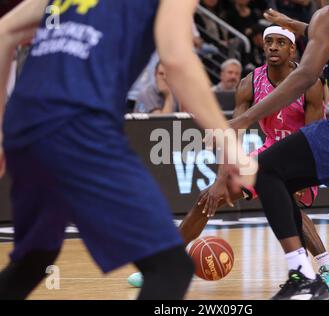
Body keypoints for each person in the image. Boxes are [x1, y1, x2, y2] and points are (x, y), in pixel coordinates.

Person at [0, 0, 256, 300]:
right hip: (79, 121)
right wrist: (230, 145)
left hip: (24, 121)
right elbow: (175, 59)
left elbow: (5, 31)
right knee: (170, 267)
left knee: (33, 260)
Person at [128, 26, 329, 295]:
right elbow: (234, 134)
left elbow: (314, 133)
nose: (273, 47)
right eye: (269, 41)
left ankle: (328, 267)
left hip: (304, 151)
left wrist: (306, 173)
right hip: (270, 152)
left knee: (287, 200)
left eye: (281, 42)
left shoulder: (311, 83)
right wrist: (223, 178)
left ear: (293, 49)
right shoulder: (249, 82)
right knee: (207, 199)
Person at [224, 0, 329, 300]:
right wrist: (295, 24)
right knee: (278, 182)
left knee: (263, 171)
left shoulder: (328, 15)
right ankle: (314, 275)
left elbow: (305, 75)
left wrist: (244, 118)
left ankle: (303, 276)